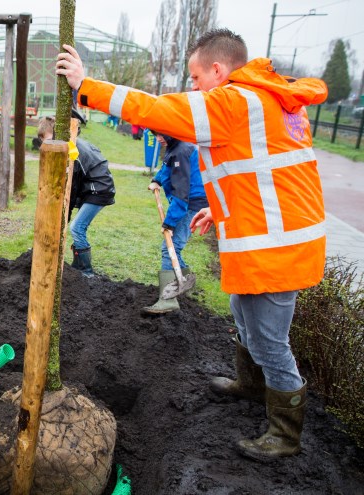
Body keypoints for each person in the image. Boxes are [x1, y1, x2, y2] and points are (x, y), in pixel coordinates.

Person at [57, 28, 327, 460]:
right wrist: (219, 211)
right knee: (243, 315)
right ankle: (250, 384)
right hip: (269, 236)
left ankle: (284, 434)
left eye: (197, 79)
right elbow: (264, 177)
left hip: (276, 247)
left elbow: (162, 110)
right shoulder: (267, 101)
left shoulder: (237, 101)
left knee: (270, 341)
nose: (194, 88)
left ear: (218, 70)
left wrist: (85, 87)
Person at [37, 116, 115, 278]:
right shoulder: (73, 144)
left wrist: (65, 216)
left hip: (99, 190)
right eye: (45, 143)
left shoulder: (73, 152)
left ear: (59, 135)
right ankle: (78, 265)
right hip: (93, 187)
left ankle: (86, 271)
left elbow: (71, 189)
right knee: (77, 227)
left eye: (51, 140)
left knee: (77, 227)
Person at [142, 133, 209, 315]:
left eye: (160, 133)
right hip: (189, 201)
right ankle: (185, 281)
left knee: (170, 247)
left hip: (191, 204)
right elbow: (167, 167)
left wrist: (170, 223)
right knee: (174, 247)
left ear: (169, 129)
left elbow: (181, 192)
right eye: (155, 134)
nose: (158, 138)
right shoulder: (176, 146)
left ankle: (167, 300)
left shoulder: (181, 151)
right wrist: (157, 180)